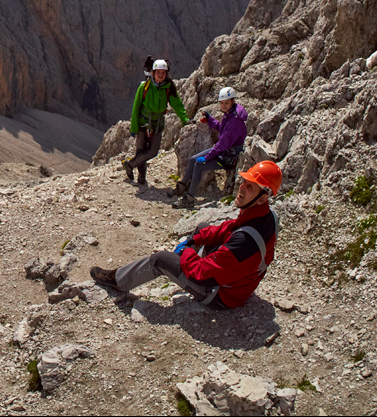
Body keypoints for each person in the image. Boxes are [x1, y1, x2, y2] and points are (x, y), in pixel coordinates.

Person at [90, 160, 282, 310]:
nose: (241, 188)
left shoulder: (244, 243)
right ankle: (182, 263)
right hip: (237, 280)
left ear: (262, 198)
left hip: (220, 295)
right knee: (202, 228)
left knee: (159, 259)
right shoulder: (265, 215)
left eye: (250, 187)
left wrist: (187, 251)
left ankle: (117, 280)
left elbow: (201, 275)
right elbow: (228, 228)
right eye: (244, 182)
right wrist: (194, 239)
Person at [172, 86, 248, 209]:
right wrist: (210, 119)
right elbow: (221, 129)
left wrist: (207, 157)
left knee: (199, 165)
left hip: (228, 157)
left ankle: (189, 199)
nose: (223, 106)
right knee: (193, 159)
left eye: (226, 103)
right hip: (223, 152)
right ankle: (181, 187)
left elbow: (222, 144)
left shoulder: (235, 121)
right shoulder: (229, 115)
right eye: (222, 103)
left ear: (232, 101)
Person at [122, 58, 189, 189]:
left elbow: (177, 105)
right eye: (158, 72)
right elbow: (136, 107)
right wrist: (134, 128)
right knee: (141, 150)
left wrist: (185, 119)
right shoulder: (144, 87)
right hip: (143, 123)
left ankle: (129, 165)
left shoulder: (168, 88)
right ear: (153, 73)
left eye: (163, 73)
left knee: (153, 151)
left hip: (157, 124)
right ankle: (141, 178)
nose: (161, 75)